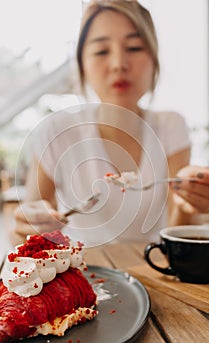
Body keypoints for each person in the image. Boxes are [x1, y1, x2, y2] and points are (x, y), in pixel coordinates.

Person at [11, 0, 209, 247]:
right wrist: (30, 224)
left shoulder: (170, 126)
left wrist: (190, 203)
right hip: (83, 271)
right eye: (102, 51)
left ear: (154, 59)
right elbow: (27, 226)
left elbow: (176, 231)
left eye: (135, 47)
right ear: (82, 64)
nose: (118, 64)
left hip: (153, 269)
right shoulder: (57, 131)